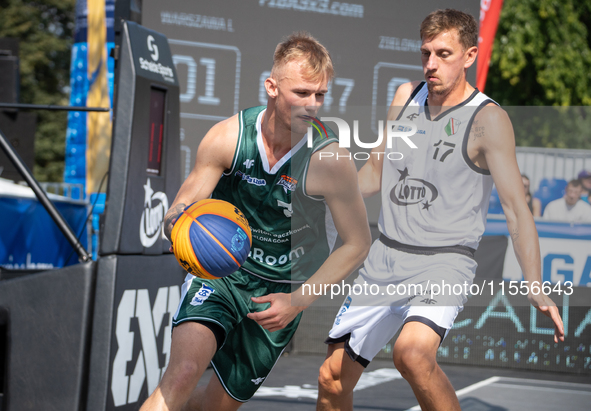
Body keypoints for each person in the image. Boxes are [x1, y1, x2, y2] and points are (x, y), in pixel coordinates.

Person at [316, 9, 564, 411]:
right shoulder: (405, 97)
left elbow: (517, 210)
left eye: (443, 54)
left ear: (469, 56)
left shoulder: (489, 120)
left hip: (445, 262)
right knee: (331, 380)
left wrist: (534, 284)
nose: (431, 64)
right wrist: (322, 197)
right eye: (426, 53)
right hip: (386, 257)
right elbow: (376, 173)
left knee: (412, 354)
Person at [140, 32, 371, 411]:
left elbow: (357, 243)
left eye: (321, 95)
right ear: (272, 87)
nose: (312, 105)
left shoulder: (331, 160)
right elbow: (179, 208)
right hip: (221, 275)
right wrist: (179, 225)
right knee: (181, 375)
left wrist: (296, 302)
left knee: (215, 406)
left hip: (279, 291)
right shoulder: (228, 137)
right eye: (302, 93)